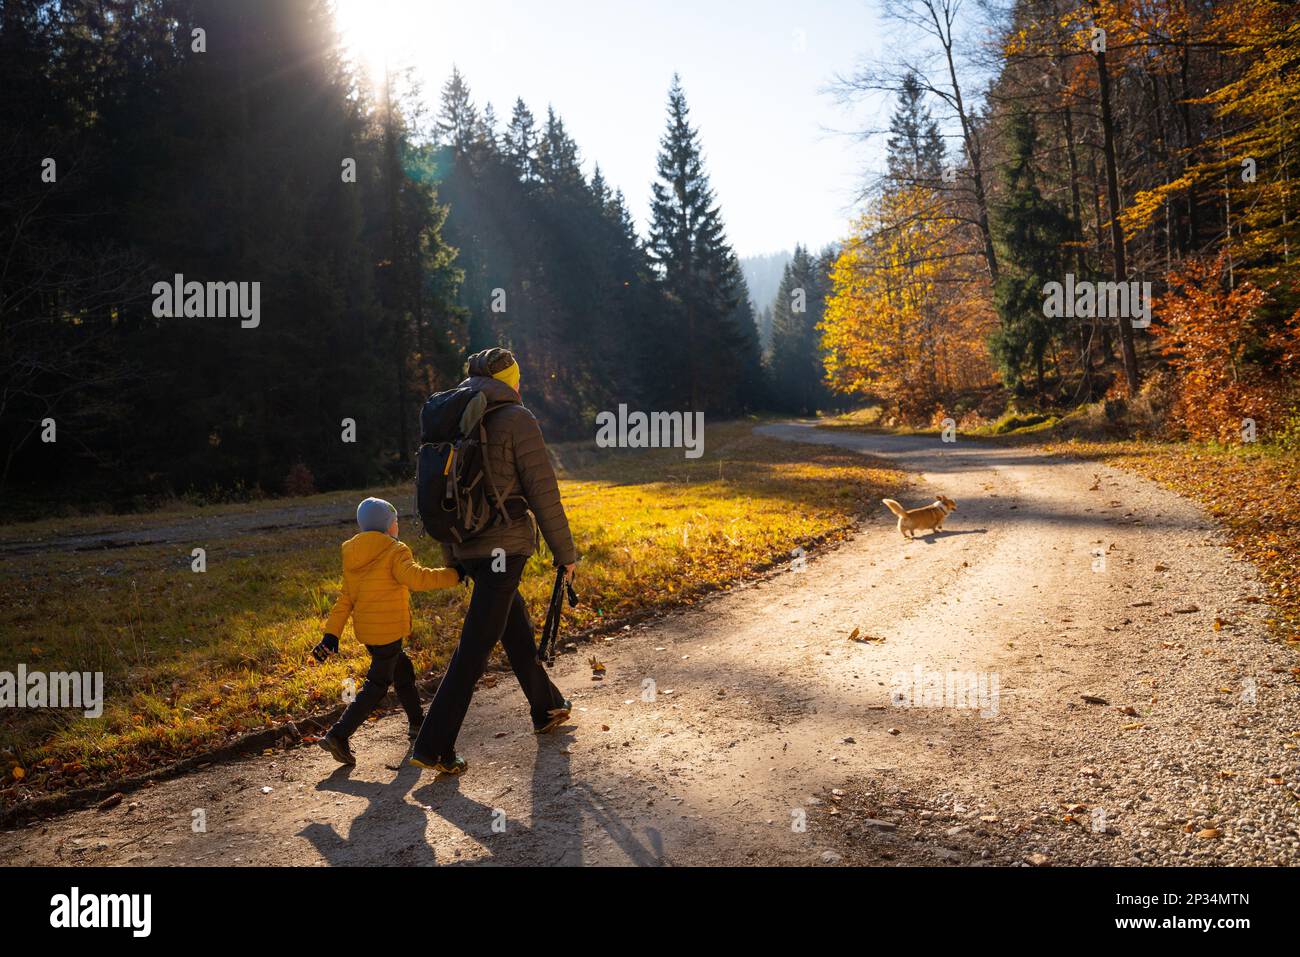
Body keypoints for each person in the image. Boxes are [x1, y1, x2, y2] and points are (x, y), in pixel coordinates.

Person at [410, 347, 578, 776]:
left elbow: (441, 494)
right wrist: (566, 555)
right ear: (510, 381)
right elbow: (544, 492)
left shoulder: (458, 418)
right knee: (474, 649)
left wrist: (454, 554)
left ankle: (547, 707)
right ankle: (434, 745)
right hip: (505, 545)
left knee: (512, 625)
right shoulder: (517, 420)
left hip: (468, 546)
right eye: (517, 379)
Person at [313, 497, 461, 766]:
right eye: (395, 523)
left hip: (369, 633)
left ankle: (417, 723)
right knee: (377, 685)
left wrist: (331, 634)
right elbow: (416, 578)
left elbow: (345, 598)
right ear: (389, 526)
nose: (397, 527)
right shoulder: (396, 551)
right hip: (389, 631)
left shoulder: (352, 554)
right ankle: (338, 734)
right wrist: (454, 575)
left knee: (402, 670)